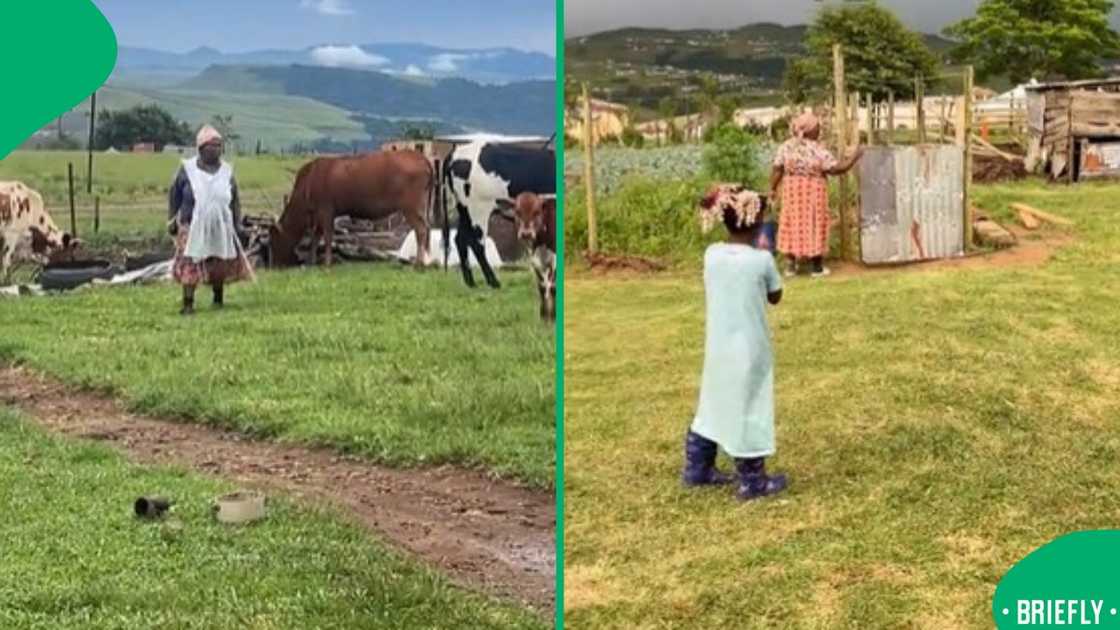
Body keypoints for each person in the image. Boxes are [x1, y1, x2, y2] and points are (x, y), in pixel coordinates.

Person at [682, 185, 787, 501]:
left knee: (712, 400)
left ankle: (697, 467)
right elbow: (775, 296)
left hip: (717, 346)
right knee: (750, 404)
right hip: (750, 347)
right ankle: (752, 480)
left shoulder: (711, 255)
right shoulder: (761, 260)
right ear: (757, 223)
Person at [168, 125, 254, 315]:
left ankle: (218, 297)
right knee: (190, 263)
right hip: (191, 225)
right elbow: (174, 195)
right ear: (201, 148)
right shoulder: (187, 170)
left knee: (218, 264)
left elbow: (235, 199)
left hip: (220, 225)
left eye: (219, 145)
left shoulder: (227, 172)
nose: (216, 149)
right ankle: (188, 303)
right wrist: (172, 219)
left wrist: (237, 223)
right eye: (211, 145)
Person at [770, 112, 864, 278]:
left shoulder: (786, 147)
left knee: (792, 223)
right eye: (817, 128)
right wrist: (855, 157)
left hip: (792, 191)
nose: (819, 130)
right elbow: (836, 169)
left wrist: (772, 188)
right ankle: (816, 267)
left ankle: (791, 267)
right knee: (814, 223)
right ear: (810, 131)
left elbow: (777, 169)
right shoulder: (817, 149)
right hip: (813, 191)